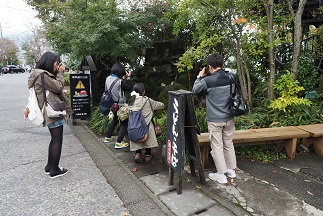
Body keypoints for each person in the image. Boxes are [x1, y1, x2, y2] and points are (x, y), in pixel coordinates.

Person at [26, 51, 73, 178]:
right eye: (56, 63)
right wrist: (60, 73)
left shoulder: (39, 74)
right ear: (49, 62)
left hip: (49, 110)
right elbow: (58, 87)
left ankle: (49, 166)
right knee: (57, 139)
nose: (57, 66)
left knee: (54, 139)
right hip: (53, 111)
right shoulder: (43, 75)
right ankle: (55, 170)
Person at [192, 54, 237, 184]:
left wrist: (200, 76)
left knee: (217, 145)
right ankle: (231, 170)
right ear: (222, 65)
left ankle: (221, 174)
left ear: (209, 67)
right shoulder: (231, 77)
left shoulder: (208, 81)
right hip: (229, 117)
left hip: (215, 120)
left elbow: (195, 90)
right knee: (228, 143)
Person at [128, 83, 164, 163]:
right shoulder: (148, 100)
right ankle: (148, 155)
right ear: (143, 92)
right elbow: (160, 105)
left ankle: (138, 154)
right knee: (149, 131)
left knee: (137, 139)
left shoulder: (131, 101)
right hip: (147, 126)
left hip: (134, 127)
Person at [103, 62, 133, 148]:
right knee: (124, 123)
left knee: (115, 120)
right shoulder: (119, 81)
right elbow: (128, 87)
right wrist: (128, 77)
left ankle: (107, 137)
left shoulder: (108, 78)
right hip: (119, 105)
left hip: (111, 105)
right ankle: (119, 142)